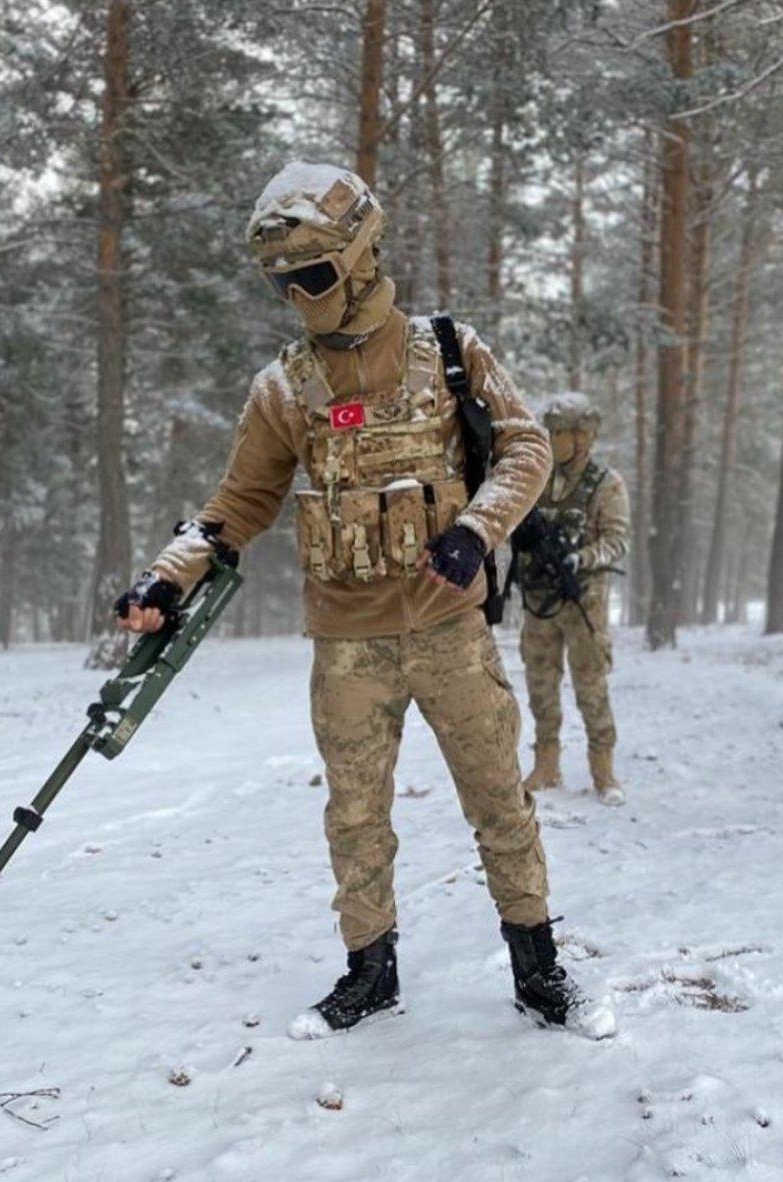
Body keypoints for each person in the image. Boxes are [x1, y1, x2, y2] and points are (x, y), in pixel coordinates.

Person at [115, 163, 613, 1040]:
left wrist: (475, 531)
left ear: (358, 259)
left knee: (499, 799)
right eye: (280, 282)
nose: (296, 296)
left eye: (309, 275)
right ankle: (369, 972)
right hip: (347, 643)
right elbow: (238, 503)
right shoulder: (283, 386)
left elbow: (527, 449)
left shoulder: (449, 352)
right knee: (354, 816)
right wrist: (167, 576)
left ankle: (537, 968)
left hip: (448, 630)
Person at [517, 393, 630, 805]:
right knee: (540, 683)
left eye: (561, 432)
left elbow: (617, 540)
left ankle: (603, 770)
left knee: (591, 685)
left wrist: (581, 557)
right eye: (551, 432)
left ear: (583, 437)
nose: (553, 440)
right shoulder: (539, 479)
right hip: (540, 601)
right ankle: (546, 764)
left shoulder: (605, 483)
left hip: (585, 602)